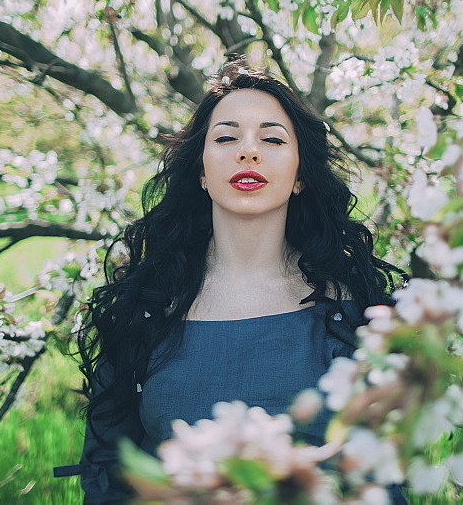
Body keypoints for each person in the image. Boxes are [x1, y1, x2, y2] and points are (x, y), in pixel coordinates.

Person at [54, 60, 402, 502]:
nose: (248, 151)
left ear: (300, 176)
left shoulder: (351, 311)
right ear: (201, 171)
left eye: (272, 138)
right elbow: (110, 474)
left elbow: (377, 480)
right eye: (225, 137)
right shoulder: (145, 308)